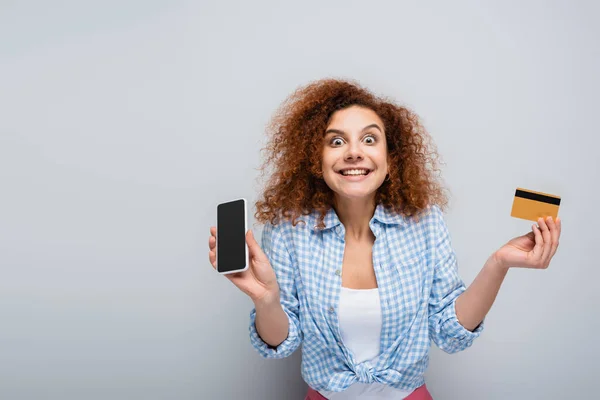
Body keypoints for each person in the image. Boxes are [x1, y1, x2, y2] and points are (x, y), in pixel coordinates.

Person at [208, 78, 562, 400]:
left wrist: (498, 263)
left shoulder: (424, 223)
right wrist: (265, 299)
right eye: (336, 141)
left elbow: (450, 333)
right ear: (316, 160)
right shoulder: (288, 230)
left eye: (369, 138)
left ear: (390, 159)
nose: (353, 152)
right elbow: (281, 343)